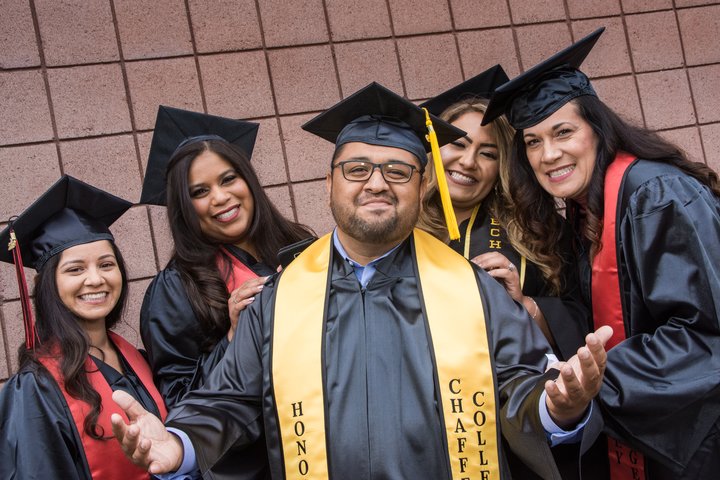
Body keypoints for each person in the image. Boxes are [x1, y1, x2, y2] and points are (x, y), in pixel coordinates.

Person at [110, 82, 611, 480]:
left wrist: (557, 407)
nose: (376, 182)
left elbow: (522, 387)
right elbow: (228, 401)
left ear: (421, 187)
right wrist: (178, 444)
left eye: (398, 170)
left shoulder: (470, 287)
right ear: (329, 184)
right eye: (357, 169)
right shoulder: (282, 297)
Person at [483, 27, 720, 479]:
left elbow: (705, 332)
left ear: (597, 127)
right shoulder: (587, 211)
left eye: (563, 132)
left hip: (701, 436)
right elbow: (608, 319)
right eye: (532, 141)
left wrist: (589, 381)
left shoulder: (656, 195)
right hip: (664, 433)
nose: (548, 154)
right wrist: (534, 311)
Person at [139, 106, 315, 409]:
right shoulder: (176, 288)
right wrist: (234, 336)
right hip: (262, 448)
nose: (220, 197)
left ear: (248, 181)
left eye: (228, 179)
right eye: (199, 191)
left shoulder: (298, 244)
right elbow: (180, 402)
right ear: (184, 207)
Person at [418, 65, 590, 361]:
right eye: (458, 144)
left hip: (517, 394)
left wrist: (526, 307)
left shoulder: (537, 231)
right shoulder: (398, 227)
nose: (468, 162)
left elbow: (583, 317)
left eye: (488, 153)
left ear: (503, 166)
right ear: (433, 147)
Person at [0, 175, 168, 479]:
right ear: (48, 283)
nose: (95, 279)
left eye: (106, 264)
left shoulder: (140, 359)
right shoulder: (37, 388)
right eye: (75, 269)